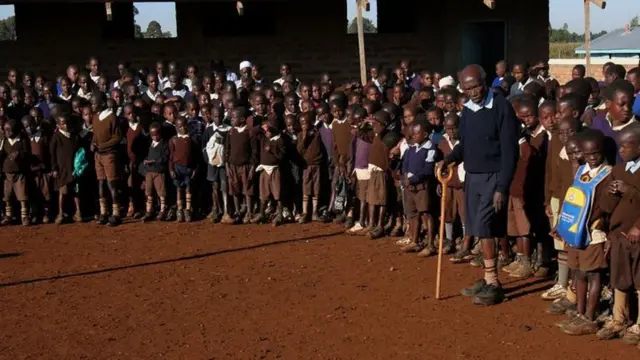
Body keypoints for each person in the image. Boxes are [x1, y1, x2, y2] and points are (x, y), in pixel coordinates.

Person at [441, 64, 520, 306]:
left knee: (487, 227)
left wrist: (502, 186)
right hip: (473, 176)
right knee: (477, 227)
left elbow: (510, 150)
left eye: (475, 86)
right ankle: (487, 278)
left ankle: (494, 282)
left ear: (484, 82)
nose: (473, 91)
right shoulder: (468, 110)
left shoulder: (500, 107)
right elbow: (465, 145)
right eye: (467, 88)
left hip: (493, 176)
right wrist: (450, 158)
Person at [556, 129, 612, 336]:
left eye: (595, 153)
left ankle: (590, 316)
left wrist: (588, 222)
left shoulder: (608, 173)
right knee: (578, 272)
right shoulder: (581, 170)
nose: (592, 157)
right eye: (588, 154)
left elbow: (604, 205)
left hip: (593, 232)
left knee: (593, 274)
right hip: (575, 230)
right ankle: (580, 312)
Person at [400, 121, 437, 254]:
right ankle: (415, 241)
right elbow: (405, 164)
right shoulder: (412, 148)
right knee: (413, 214)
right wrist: (405, 178)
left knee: (426, 213)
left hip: (422, 186)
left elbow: (428, 170)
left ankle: (430, 244)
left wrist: (412, 179)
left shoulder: (430, 148)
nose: (413, 136)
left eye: (416, 133)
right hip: (409, 186)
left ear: (425, 134)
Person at [91, 92, 122, 226]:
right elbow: (95, 135)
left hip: (109, 154)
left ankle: (116, 213)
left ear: (102, 103)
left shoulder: (112, 118)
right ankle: (104, 212)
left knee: (112, 184)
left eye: (94, 103)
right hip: (98, 155)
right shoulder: (96, 117)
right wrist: (93, 143)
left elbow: (117, 137)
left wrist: (102, 146)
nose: (92, 105)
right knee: (101, 183)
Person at [224, 106, 255, 224]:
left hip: (246, 166)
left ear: (242, 119)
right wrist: (227, 165)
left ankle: (249, 212)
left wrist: (252, 167)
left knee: (248, 190)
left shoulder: (249, 132)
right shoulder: (231, 132)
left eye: (233, 117)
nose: (231, 119)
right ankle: (237, 211)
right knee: (235, 189)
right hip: (232, 166)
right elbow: (227, 149)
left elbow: (253, 151)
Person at [50, 115, 79, 224]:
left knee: (76, 191)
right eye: (62, 123)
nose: (65, 125)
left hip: (73, 167)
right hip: (62, 168)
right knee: (63, 191)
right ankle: (61, 213)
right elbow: (52, 153)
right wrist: (54, 167)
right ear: (58, 125)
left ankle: (78, 212)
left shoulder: (74, 136)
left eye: (66, 123)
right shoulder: (56, 137)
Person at [1, 119, 30, 226]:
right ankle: (8, 215)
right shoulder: (4, 141)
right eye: (5, 130)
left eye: (10, 130)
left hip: (19, 172)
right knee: (7, 195)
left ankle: (24, 216)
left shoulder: (22, 140)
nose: (8, 132)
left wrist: (19, 154)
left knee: (22, 194)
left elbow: (27, 153)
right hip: (7, 172)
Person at [169, 116, 199, 222]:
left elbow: (196, 156)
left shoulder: (192, 139)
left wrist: (195, 169)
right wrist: (171, 169)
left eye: (184, 125)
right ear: (176, 127)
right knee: (179, 188)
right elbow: (171, 157)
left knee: (188, 187)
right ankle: (179, 210)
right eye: (179, 126)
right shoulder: (173, 140)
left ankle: (188, 209)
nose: (182, 128)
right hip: (177, 168)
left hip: (189, 168)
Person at [23, 115, 51, 224]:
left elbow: (50, 153)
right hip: (31, 170)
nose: (29, 128)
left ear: (35, 123)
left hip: (44, 169)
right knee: (33, 193)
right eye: (26, 126)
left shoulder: (44, 136)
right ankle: (34, 214)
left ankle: (46, 213)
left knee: (46, 192)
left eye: (30, 125)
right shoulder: (25, 138)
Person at [140, 122, 169, 222]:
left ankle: (162, 210)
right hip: (149, 172)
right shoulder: (150, 144)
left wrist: (154, 161)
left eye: (157, 135)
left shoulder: (164, 144)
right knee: (149, 192)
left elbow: (165, 158)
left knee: (161, 192)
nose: (155, 137)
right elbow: (147, 156)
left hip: (159, 171)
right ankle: (149, 211)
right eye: (153, 135)